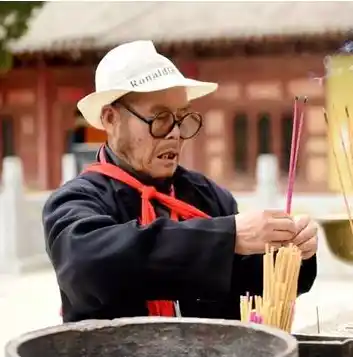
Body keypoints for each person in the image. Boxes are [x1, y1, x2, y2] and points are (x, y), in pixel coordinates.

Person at [42, 40, 318, 323]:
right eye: (160, 118)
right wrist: (227, 236)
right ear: (111, 119)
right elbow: (87, 266)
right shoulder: (75, 201)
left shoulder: (209, 197)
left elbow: (251, 288)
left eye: (181, 118)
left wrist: (290, 254)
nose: (174, 133)